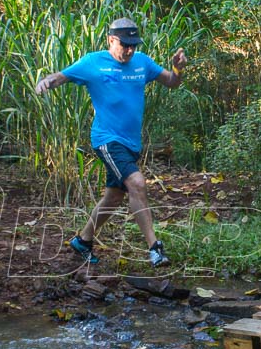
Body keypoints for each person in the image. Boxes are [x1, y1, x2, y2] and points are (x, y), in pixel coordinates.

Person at [35, 18, 187, 268]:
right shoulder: (93, 63)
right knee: (137, 183)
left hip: (131, 144)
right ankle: (155, 248)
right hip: (107, 140)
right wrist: (47, 82)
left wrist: (178, 69)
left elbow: (171, 82)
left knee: (114, 197)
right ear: (111, 40)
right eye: (124, 45)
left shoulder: (142, 62)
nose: (129, 50)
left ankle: (83, 241)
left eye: (133, 45)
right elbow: (61, 76)